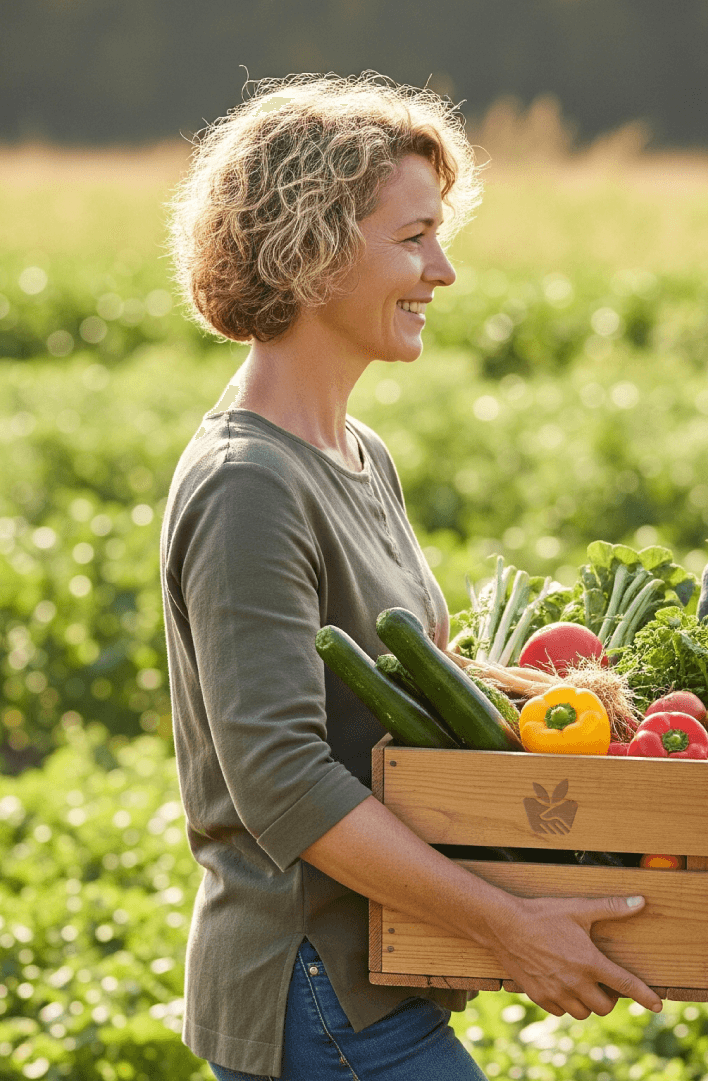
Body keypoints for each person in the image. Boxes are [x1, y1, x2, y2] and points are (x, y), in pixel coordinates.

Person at [162, 72, 662, 1081]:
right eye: (411, 238)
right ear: (308, 253)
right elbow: (283, 783)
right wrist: (512, 925)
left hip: (378, 975)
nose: (442, 270)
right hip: (313, 985)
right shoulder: (248, 484)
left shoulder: (356, 453)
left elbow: (410, 696)